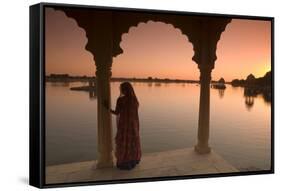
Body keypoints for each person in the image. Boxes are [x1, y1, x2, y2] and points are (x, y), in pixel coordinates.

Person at [104, 82, 141, 170]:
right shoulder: (134, 100)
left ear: (124, 89)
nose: (120, 90)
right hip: (133, 126)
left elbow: (117, 113)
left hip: (124, 126)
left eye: (121, 88)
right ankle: (132, 161)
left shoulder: (121, 100)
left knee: (124, 143)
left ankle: (124, 162)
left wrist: (107, 108)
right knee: (132, 143)